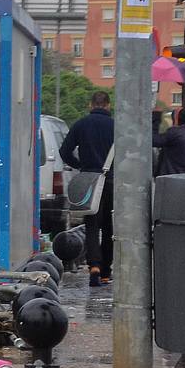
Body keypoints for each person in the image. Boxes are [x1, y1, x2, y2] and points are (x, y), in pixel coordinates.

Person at [60, 92, 115, 286]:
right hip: (111, 181)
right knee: (110, 227)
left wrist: (80, 165)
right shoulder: (117, 126)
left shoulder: (81, 124)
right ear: (108, 105)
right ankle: (106, 271)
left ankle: (94, 266)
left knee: (92, 224)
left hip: (89, 180)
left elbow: (64, 151)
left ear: (91, 104)